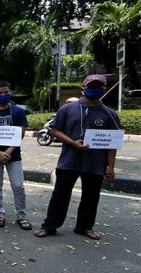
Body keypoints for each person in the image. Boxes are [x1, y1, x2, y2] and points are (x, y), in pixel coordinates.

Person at [35, 75, 121, 240]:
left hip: (95, 163)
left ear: (103, 89)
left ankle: (85, 227)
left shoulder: (109, 114)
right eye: (91, 85)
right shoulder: (67, 109)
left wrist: (110, 166)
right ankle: (49, 226)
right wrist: (73, 143)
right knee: (60, 195)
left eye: (98, 86)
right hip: (69, 160)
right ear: (83, 87)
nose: (94, 89)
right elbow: (54, 130)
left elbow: (113, 142)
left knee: (91, 196)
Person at [0, 81, 31, 230]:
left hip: (14, 155)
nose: (3, 95)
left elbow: (21, 133)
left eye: (6, 92)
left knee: (18, 185)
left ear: (11, 92)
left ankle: (21, 215)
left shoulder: (18, 111)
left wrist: (7, 152)